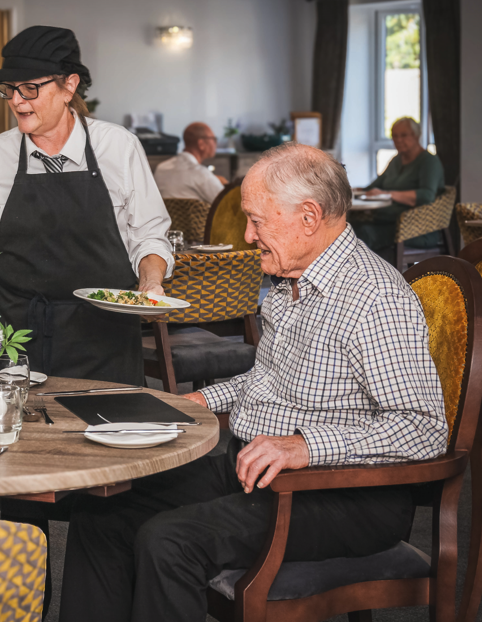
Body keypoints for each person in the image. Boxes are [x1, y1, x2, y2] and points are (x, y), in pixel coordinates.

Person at [59, 142, 447, 622]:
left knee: (168, 541)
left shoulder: (373, 298)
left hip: (343, 492)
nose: (247, 235)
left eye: (257, 220)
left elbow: (425, 427)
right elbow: (267, 382)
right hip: (256, 466)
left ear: (309, 217)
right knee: (103, 512)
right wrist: (191, 400)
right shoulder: (289, 285)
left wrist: (305, 447)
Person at [0, 25, 173, 387]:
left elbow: (150, 237)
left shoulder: (119, 148)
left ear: (69, 86)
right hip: (16, 336)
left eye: (30, 87)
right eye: (9, 89)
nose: (17, 100)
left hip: (103, 334)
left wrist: (150, 283)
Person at [353, 117, 445, 258]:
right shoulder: (396, 161)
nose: (398, 140)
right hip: (386, 221)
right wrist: (350, 190)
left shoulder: (429, 161)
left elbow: (427, 196)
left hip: (414, 229)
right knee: (347, 226)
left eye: (403, 135)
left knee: (361, 234)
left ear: (416, 136)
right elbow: (373, 188)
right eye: (394, 136)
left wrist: (389, 194)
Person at [153, 122, 228, 202]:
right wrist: (225, 184)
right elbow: (227, 203)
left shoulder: (161, 168)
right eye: (214, 139)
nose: (215, 143)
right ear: (201, 144)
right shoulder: (201, 174)